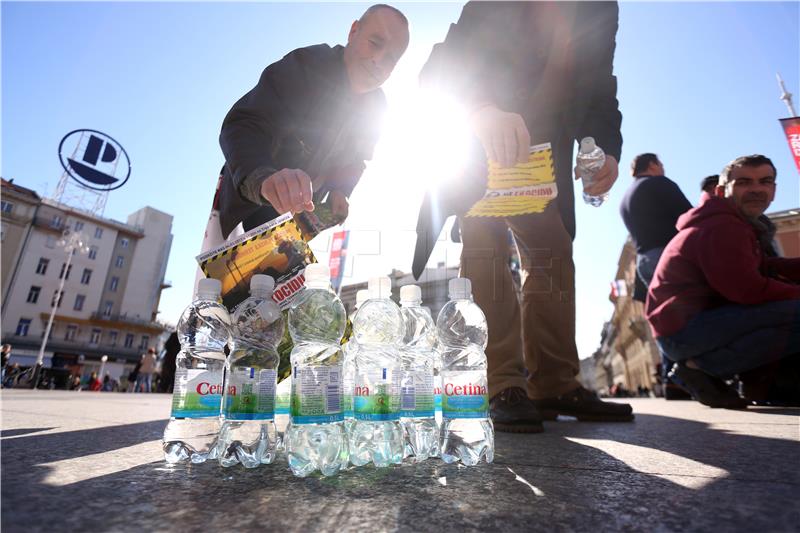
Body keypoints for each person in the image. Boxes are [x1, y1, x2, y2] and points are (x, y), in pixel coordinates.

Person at [412, 1, 632, 432]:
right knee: (484, 246)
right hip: (480, 149)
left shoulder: (601, 8)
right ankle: (502, 385)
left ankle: (555, 384)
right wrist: (482, 112)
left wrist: (605, 148)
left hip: (542, 159)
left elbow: (599, 89)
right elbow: (444, 67)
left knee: (552, 251)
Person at [208, 4, 409, 249]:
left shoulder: (377, 106)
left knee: (288, 282)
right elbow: (242, 124)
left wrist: (340, 190)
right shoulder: (307, 65)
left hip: (296, 222)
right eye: (375, 43)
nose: (379, 60)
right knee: (230, 286)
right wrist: (263, 177)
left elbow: (355, 161)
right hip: (249, 205)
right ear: (354, 30)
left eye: (391, 58)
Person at [646, 154, 800, 407]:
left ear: (774, 189)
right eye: (743, 182)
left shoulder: (732, 221)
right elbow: (748, 290)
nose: (756, 189)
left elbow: (764, 267)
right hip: (684, 332)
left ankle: (758, 383)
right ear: (721, 190)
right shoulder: (723, 226)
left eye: (765, 181)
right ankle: (703, 368)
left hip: (692, 325)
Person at [620, 153, 691, 300]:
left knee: (670, 313)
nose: (663, 170)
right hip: (669, 256)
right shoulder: (658, 183)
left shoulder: (625, 199)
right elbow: (688, 216)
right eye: (661, 165)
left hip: (644, 263)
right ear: (652, 165)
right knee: (693, 308)